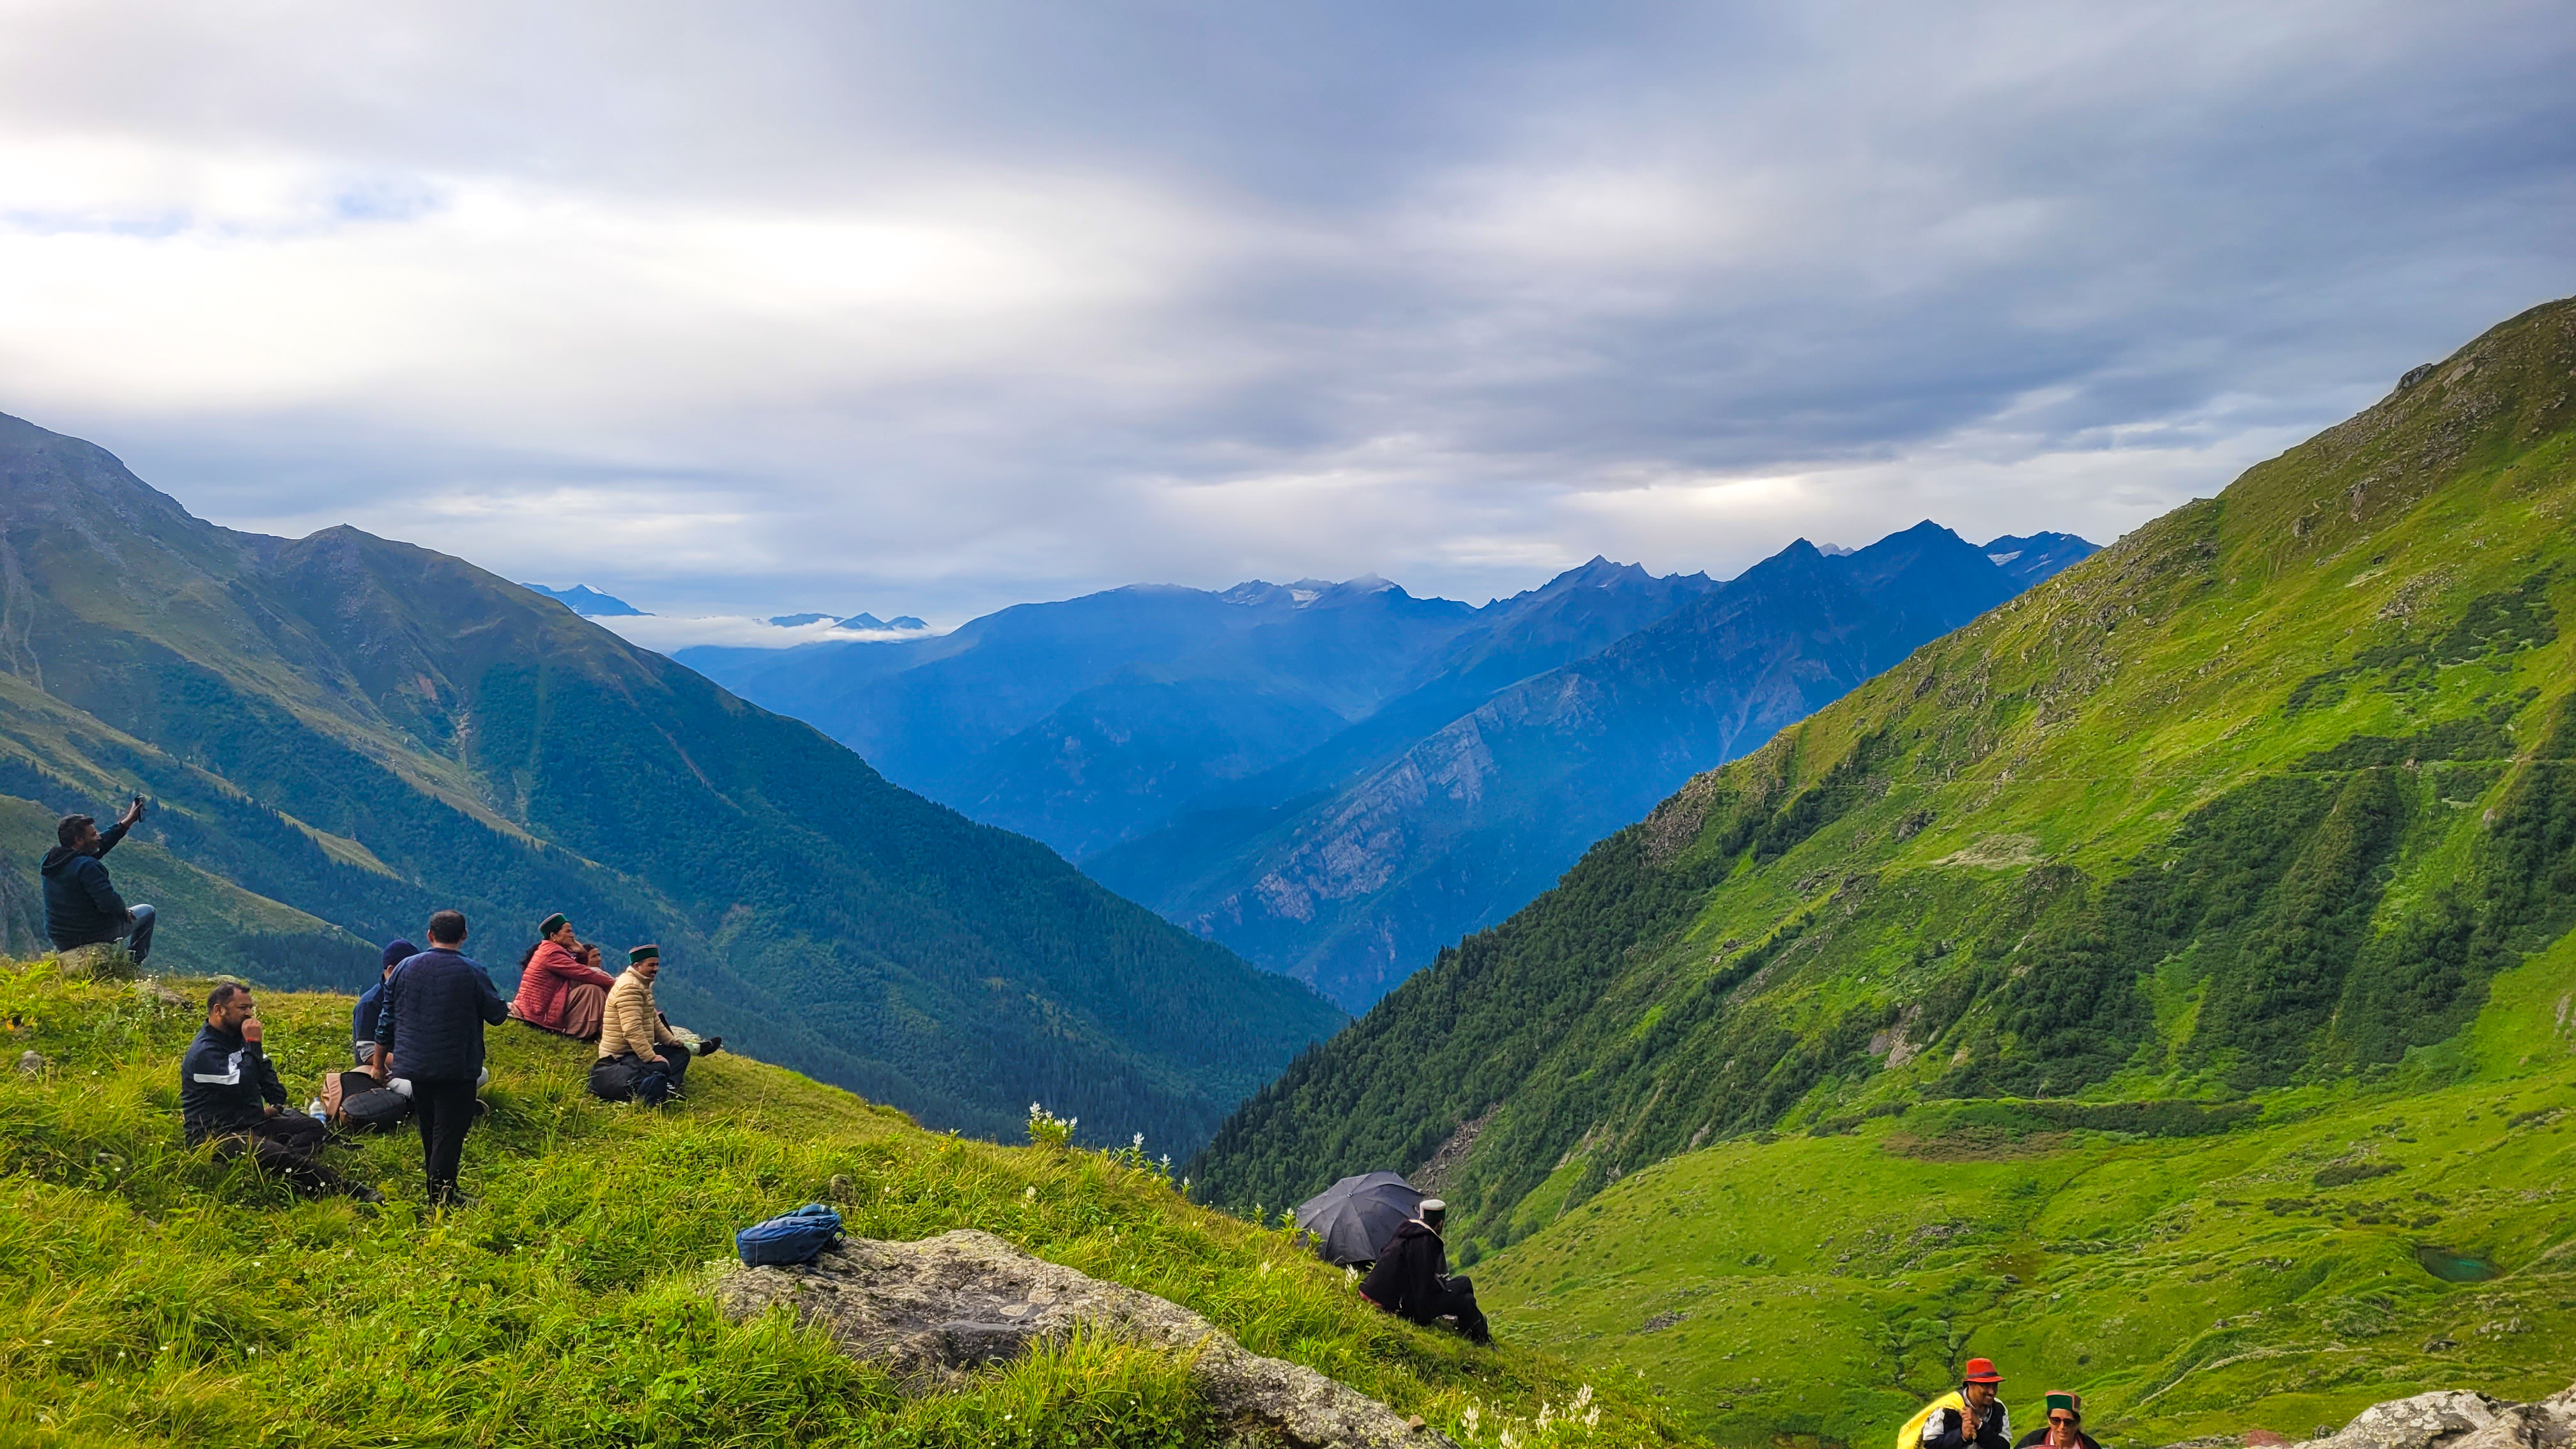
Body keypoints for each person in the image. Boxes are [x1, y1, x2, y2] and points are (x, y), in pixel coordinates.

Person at [182, 983, 377, 1202]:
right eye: (242, 1008)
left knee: (312, 1127)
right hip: (216, 1134)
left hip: (250, 1121)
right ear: (219, 1010)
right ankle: (349, 1190)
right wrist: (253, 1044)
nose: (249, 1014)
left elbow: (264, 1072)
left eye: (250, 1007)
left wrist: (276, 1104)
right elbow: (243, 1085)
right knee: (275, 1154)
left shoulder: (236, 1039)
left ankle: (287, 1168)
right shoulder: (205, 1052)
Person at [374, 910, 507, 1208]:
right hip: (457, 1067)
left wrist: (377, 1064)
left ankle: (440, 1187)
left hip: (415, 1066)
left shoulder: (405, 968)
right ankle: (442, 1198)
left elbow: (386, 1019)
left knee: (430, 1127)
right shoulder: (473, 971)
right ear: (464, 936)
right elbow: (497, 1015)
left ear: (429, 936)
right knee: (450, 1132)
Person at [589, 945, 721, 1103]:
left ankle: (668, 1086)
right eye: (651, 965)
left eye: (657, 965)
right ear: (637, 966)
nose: (656, 969)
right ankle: (654, 1088)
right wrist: (651, 1057)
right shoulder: (630, 988)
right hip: (621, 1056)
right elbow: (632, 1030)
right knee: (660, 1066)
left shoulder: (641, 984)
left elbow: (654, 1020)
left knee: (680, 1053)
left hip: (634, 1053)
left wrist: (671, 1042)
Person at [1358, 1198, 1491, 1344]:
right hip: (1399, 1303)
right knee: (1465, 1297)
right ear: (1440, 1224)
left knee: (1464, 1286)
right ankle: (1481, 1338)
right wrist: (1441, 1287)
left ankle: (1473, 1331)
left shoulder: (1406, 1231)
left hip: (1371, 1290)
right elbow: (1423, 1291)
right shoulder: (1426, 1242)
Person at [40, 801, 156, 965]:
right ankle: (133, 964)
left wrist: (127, 822)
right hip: (92, 934)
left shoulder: (53, 861)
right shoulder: (87, 867)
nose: (99, 837)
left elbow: (99, 847)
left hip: (60, 938)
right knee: (148, 911)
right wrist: (123, 911)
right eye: (94, 835)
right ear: (79, 840)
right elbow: (109, 903)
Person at [509, 912, 615, 1039]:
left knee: (590, 989)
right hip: (538, 1013)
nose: (573, 935)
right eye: (568, 931)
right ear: (554, 936)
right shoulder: (552, 954)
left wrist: (581, 954)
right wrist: (614, 984)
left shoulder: (549, 950)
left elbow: (577, 969)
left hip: (541, 1007)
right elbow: (582, 973)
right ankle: (587, 1033)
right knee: (592, 991)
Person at [1899, 1359, 2012, 1449]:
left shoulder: (1999, 1409)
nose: (1992, 1392)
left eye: (1995, 1386)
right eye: (1986, 1386)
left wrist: (1980, 1426)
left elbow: (2004, 1446)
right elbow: (1930, 1445)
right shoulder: (1947, 1409)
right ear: (1970, 1384)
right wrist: (1961, 1436)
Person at [354, 939, 416, 1065]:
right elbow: (368, 1052)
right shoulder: (370, 1004)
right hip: (380, 1072)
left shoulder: (410, 994)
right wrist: (413, 1064)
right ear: (392, 970)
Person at [2014, 1393, 2101, 1449]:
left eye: (2068, 1422)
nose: (2062, 1427)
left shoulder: (2091, 1446)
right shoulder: (2031, 1442)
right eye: (2056, 1420)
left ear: (2076, 1423)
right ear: (2049, 1420)